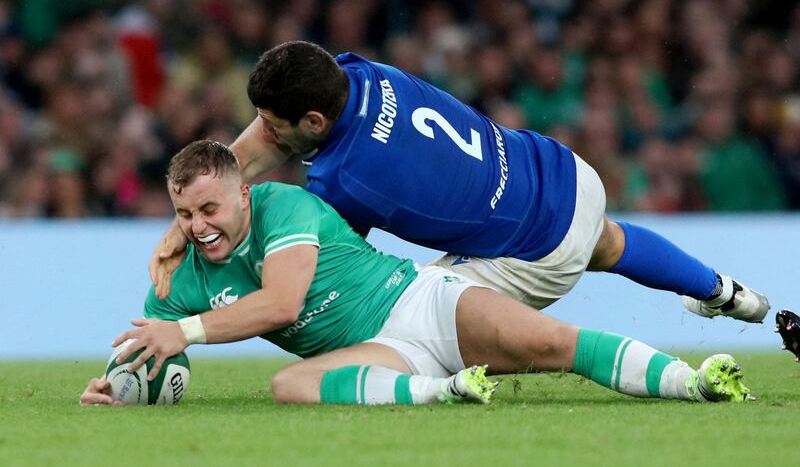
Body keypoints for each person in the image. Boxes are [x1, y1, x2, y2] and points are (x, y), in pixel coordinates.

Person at [80, 140, 752, 407]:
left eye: (208, 206)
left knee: (553, 345)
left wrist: (187, 331)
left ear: (241, 195)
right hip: (379, 351)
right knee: (290, 386)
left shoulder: (285, 205)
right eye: (182, 211)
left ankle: (700, 384)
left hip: (423, 302)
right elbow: (155, 346)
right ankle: (444, 391)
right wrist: (120, 383)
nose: (197, 224)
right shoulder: (183, 272)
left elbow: (282, 303)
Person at [146, 41, 771, 324]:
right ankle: (728, 293)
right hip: (563, 174)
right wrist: (202, 204)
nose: (264, 136)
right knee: (605, 241)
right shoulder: (360, 73)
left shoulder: (348, 179)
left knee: (411, 316)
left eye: (276, 127)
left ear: (313, 120)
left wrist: (203, 248)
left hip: (536, 254)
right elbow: (260, 149)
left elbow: (321, 261)